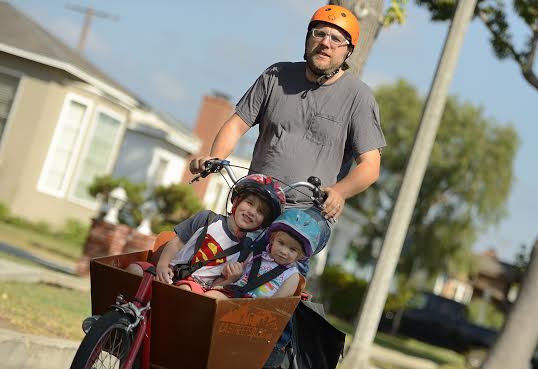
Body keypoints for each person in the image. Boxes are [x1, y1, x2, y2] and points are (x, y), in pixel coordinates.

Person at [189, 4, 386, 223]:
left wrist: (340, 192)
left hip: (306, 216)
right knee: (205, 233)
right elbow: (236, 125)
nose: (325, 43)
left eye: (336, 39)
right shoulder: (276, 76)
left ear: (348, 51)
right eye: (319, 33)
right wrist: (215, 158)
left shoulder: (358, 97)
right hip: (257, 199)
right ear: (308, 38)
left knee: (280, 252)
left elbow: (370, 166)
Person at [125, 174, 285, 298]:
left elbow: (216, 283)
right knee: (134, 270)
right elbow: (176, 242)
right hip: (169, 271)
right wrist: (162, 266)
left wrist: (230, 279)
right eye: (249, 203)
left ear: (264, 223)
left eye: (260, 211)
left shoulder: (245, 250)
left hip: (196, 286)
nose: (252, 212)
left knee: (185, 291)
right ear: (236, 201)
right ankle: (124, 320)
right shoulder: (207, 219)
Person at [210, 208, 322, 300]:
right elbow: (237, 278)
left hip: (257, 311)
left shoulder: (292, 276)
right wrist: (232, 277)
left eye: (292, 249)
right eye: (281, 243)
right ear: (272, 239)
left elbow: (274, 307)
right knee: (211, 297)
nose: (284, 251)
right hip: (234, 295)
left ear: (301, 256)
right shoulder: (256, 255)